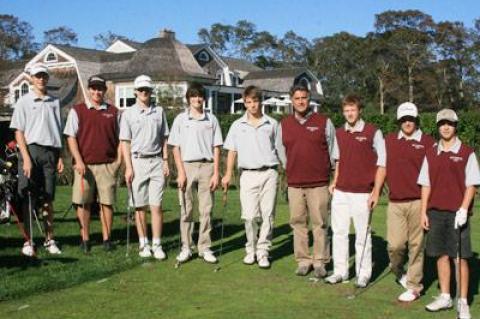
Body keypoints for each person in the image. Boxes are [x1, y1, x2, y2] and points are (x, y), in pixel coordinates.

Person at [418, 108, 480, 319]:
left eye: (450, 123)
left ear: (455, 126)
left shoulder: (466, 152)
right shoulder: (431, 153)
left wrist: (463, 208)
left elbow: (471, 184)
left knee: (459, 258)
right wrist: (423, 211)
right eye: (442, 123)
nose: (446, 127)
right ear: (438, 126)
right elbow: (425, 184)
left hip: (457, 214)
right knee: (441, 255)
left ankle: (462, 302)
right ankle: (445, 296)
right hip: (435, 212)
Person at [276, 85, 337, 277]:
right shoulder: (284, 124)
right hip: (295, 183)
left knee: (320, 223)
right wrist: (290, 167)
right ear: (291, 101)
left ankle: (320, 261)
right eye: (297, 98)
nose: (301, 101)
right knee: (298, 223)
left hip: (319, 182)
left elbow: (333, 149)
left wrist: (333, 175)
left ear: (309, 99)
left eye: (304, 98)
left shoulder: (323, 122)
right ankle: (303, 260)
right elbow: (280, 150)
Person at [326, 94, 385, 288]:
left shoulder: (372, 132)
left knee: (362, 235)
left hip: (363, 193)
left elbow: (382, 163)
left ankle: (363, 273)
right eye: (346, 110)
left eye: (353, 110)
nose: (350, 114)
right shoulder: (339, 133)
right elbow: (338, 161)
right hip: (341, 192)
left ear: (360, 111)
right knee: (339, 233)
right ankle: (340, 272)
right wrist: (334, 181)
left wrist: (376, 191)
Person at [222, 86, 280, 269]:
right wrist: (227, 174)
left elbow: (280, 149)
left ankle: (263, 252)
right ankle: (251, 250)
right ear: (244, 103)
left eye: (255, 101)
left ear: (260, 102)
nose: (252, 105)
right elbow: (232, 151)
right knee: (249, 217)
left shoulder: (272, 124)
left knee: (268, 215)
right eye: (249, 102)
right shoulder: (237, 125)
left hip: (269, 173)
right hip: (247, 175)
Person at [381, 102, 435, 302]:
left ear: (416, 119)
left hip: (419, 202)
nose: (407, 122)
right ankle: (398, 272)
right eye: (403, 119)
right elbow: (381, 167)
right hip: (395, 202)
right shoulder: (389, 141)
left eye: (410, 119)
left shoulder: (428, 142)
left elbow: (434, 173)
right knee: (394, 246)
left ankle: (414, 286)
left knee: (416, 246)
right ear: (399, 121)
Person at [10, 63, 64, 256]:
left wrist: (59, 156)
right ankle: (28, 240)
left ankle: (50, 239)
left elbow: (58, 130)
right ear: (31, 78)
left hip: (51, 152)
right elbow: (19, 132)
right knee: (29, 198)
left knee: (48, 199)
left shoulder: (55, 102)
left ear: (47, 78)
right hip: (30, 152)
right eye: (37, 76)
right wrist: (25, 158)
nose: (41, 79)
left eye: (44, 76)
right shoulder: (23, 102)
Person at [64, 75, 121, 253]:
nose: (97, 92)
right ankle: (85, 239)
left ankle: (107, 239)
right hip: (84, 166)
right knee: (83, 203)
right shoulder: (77, 110)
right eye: (93, 88)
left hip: (107, 165)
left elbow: (122, 139)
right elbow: (71, 137)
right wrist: (79, 160)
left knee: (107, 203)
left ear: (105, 90)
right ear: (89, 90)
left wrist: (118, 162)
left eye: (100, 89)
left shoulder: (114, 112)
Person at [168, 82, 223, 264]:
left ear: (203, 98)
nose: (197, 99)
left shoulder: (211, 119)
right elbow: (175, 148)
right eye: (193, 96)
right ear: (188, 99)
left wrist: (216, 173)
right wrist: (181, 172)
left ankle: (205, 247)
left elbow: (217, 147)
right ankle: (186, 247)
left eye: (199, 96)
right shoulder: (180, 120)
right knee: (186, 209)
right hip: (187, 167)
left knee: (206, 210)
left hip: (207, 167)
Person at [120, 75, 170, 260]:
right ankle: (144, 243)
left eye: (147, 90)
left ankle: (157, 243)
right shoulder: (128, 113)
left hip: (156, 161)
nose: (144, 93)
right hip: (137, 162)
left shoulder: (159, 111)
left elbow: (165, 137)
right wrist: (128, 167)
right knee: (140, 207)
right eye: (141, 90)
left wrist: (166, 160)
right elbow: (125, 142)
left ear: (151, 92)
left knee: (156, 206)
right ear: (135, 92)